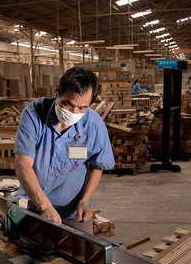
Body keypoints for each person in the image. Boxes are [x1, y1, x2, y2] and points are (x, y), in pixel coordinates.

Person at [14, 67, 115, 227]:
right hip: (33, 203)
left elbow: (97, 166)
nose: (74, 112)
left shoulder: (94, 125)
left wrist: (84, 200)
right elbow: (23, 165)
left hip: (73, 211)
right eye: (67, 104)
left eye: (82, 107)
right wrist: (44, 206)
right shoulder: (33, 114)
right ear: (57, 93)